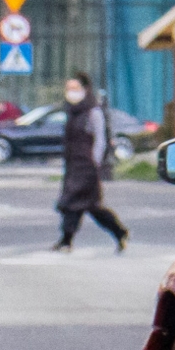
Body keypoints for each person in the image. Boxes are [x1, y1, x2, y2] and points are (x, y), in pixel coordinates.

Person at [54, 73, 128, 252]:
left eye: (75, 89)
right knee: (88, 206)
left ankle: (66, 240)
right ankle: (118, 232)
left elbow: (100, 138)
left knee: (72, 202)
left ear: (85, 89)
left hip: (87, 166)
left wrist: (95, 162)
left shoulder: (92, 111)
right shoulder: (71, 111)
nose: (71, 93)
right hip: (73, 164)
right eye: (69, 89)